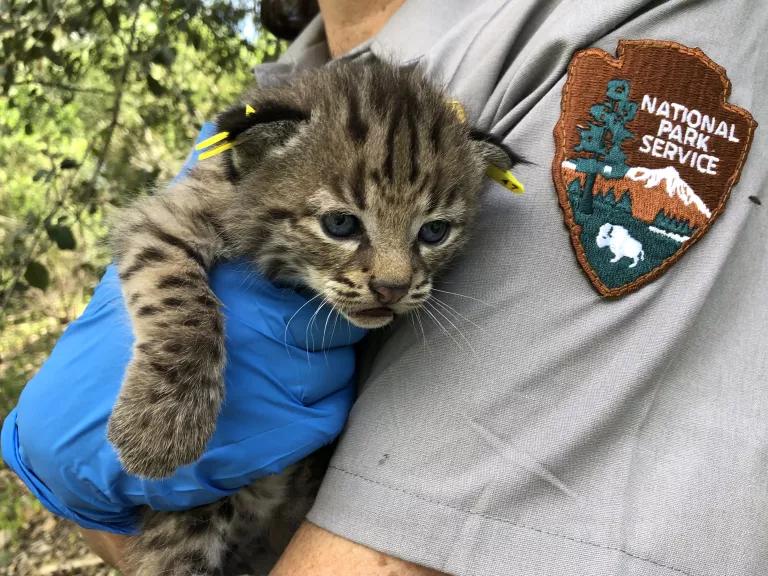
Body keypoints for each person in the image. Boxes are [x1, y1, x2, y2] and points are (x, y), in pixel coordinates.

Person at [7, 1, 768, 575]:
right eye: (345, 224)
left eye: (433, 233)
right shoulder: (275, 100)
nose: (395, 277)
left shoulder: (638, 21)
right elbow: (161, 232)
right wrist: (178, 359)